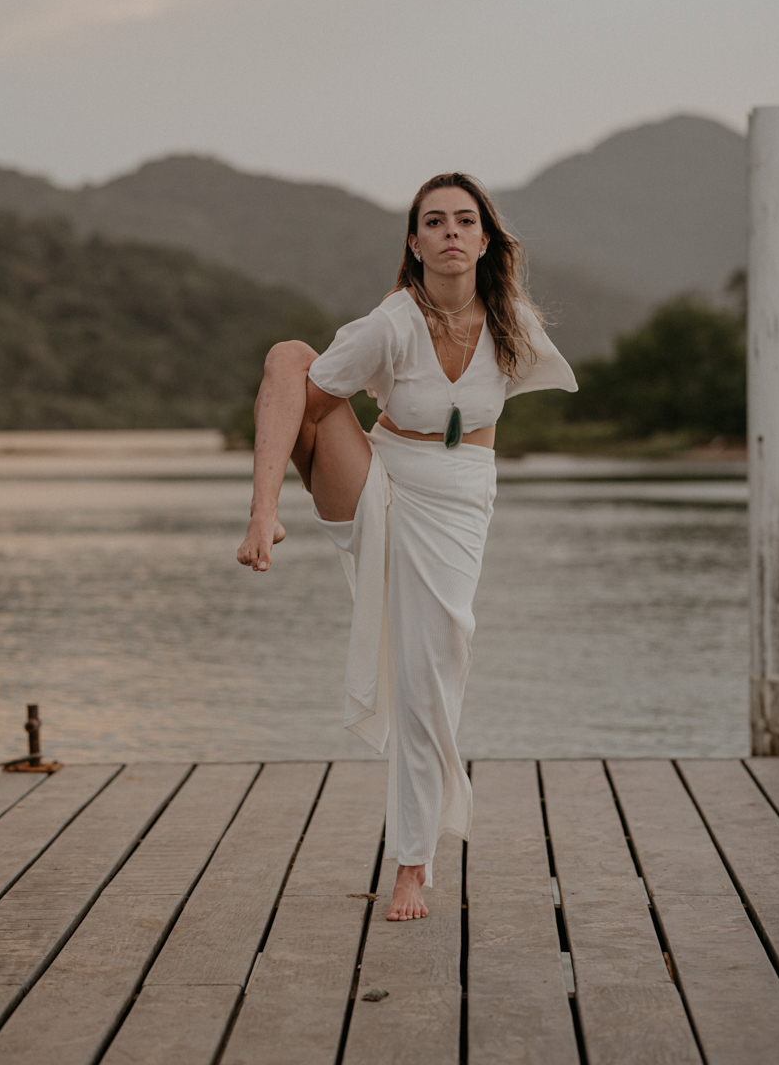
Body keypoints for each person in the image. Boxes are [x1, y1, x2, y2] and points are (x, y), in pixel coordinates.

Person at [237, 173, 577, 921]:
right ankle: (263, 515)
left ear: (485, 240)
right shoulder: (391, 323)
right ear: (415, 242)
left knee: (432, 672)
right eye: (434, 221)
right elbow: (309, 406)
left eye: (464, 220)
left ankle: (414, 856)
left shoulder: (511, 322)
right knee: (289, 355)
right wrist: (274, 498)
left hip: (460, 500)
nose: (450, 232)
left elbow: (484, 419)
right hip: (380, 483)